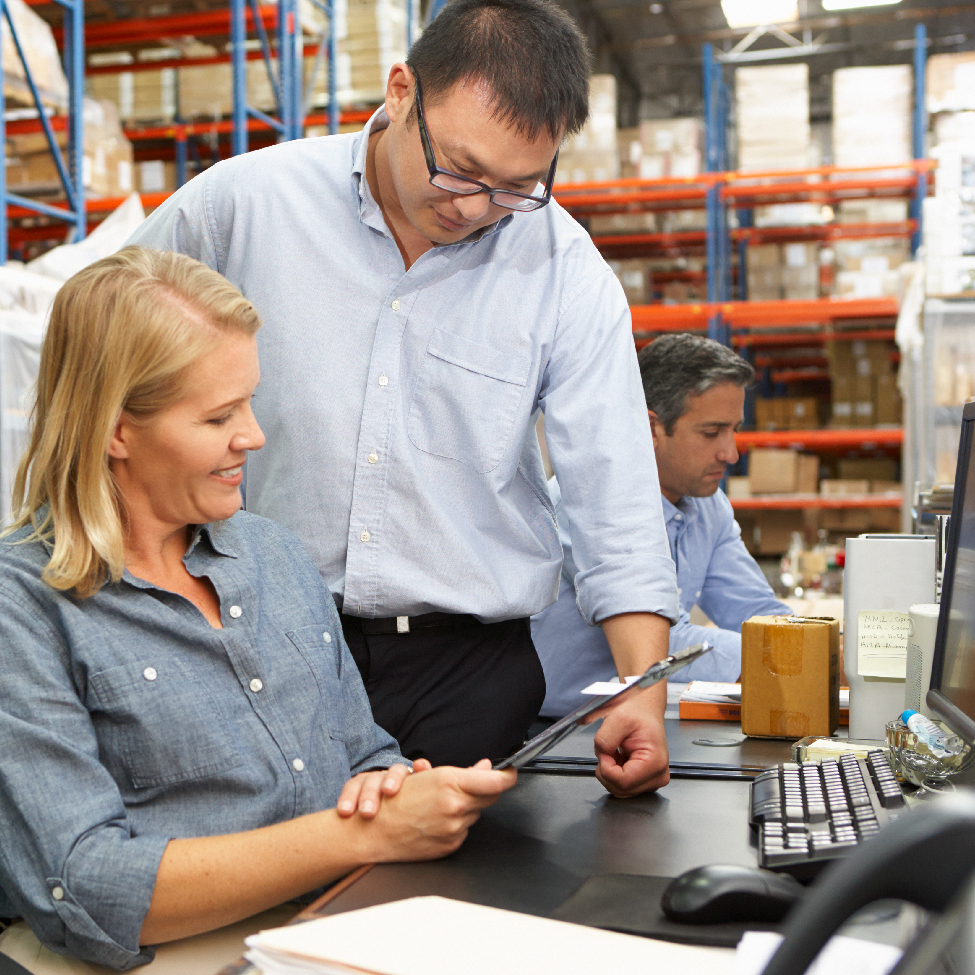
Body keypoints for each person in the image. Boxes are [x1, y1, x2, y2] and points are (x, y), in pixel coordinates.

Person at [128, 0, 679, 798]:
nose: (473, 206)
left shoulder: (563, 267)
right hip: (250, 643)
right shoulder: (241, 207)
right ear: (400, 93)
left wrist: (643, 690)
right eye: (457, 168)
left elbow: (615, 495)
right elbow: (96, 349)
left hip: (466, 671)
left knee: (432, 904)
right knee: (258, 883)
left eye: (517, 185)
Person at [0, 247, 516, 971]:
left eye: (249, 400)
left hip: (333, 923)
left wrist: (397, 787)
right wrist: (365, 836)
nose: (254, 434)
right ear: (115, 429)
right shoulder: (21, 604)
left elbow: (363, 751)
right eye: (217, 417)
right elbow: (83, 887)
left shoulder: (272, 555)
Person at [532, 333, 794, 717]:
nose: (731, 453)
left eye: (734, 430)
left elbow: (755, 612)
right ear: (650, 428)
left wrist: (816, 646)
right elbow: (664, 639)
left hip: (648, 714)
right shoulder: (585, 505)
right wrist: (787, 656)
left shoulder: (708, 507)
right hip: (562, 731)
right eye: (711, 433)